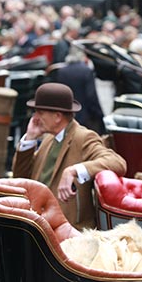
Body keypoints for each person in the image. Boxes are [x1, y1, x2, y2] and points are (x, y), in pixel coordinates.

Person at [12, 83, 127, 229]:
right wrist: (30, 138)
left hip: (70, 231)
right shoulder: (48, 139)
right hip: (38, 225)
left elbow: (117, 162)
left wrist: (73, 170)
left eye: (40, 112)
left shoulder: (84, 137)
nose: (35, 117)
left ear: (57, 116)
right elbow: (21, 178)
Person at [49, 45, 106, 135]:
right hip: (85, 116)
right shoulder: (86, 71)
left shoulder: (62, 71)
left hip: (67, 115)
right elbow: (91, 95)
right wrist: (99, 114)